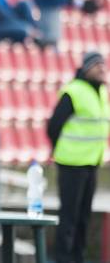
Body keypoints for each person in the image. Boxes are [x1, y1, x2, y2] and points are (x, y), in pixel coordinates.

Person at [47, 51, 108, 263]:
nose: (102, 68)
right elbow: (53, 126)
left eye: (103, 64)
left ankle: (78, 257)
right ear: (86, 68)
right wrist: (61, 151)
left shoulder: (100, 91)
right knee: (69, 217)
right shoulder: (73, 92)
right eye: (97, 65)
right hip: (72, 163)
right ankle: (64, 258)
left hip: (91, 162)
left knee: (84, 217)